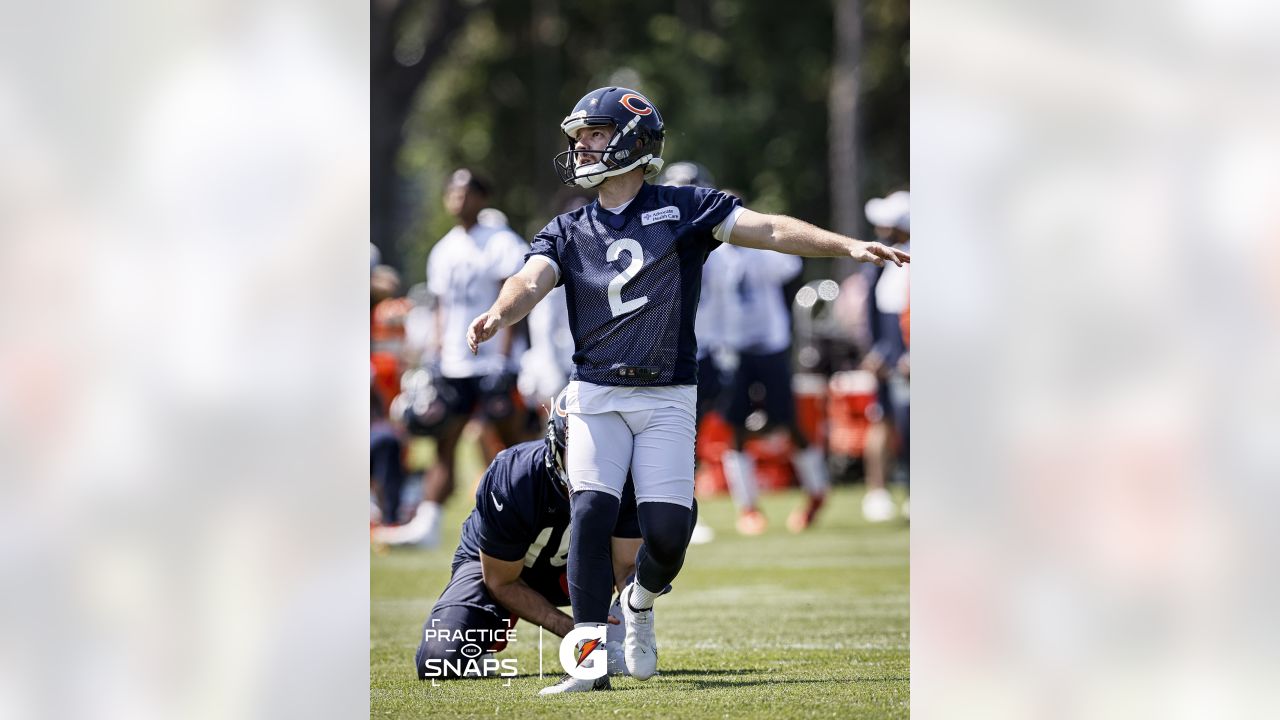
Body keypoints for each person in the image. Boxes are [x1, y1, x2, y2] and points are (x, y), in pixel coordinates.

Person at [466, 86, 909, 695]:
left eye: (594, 133)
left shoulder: (684, 208)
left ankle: (642, 602)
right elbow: (528, 278)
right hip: (595, 392)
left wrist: (847, 245)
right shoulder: (568, 227)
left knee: (667, 533)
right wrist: (497, 313)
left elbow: (773, 230)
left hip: (668, 394)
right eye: (580, 135)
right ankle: (591, 662)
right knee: (591, 515)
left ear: (631, 139)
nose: (581, 145)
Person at [414, 401, 645, 680]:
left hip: (583, 570)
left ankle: (615, 638)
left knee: (676, 516)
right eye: (583, 450)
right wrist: (573, 629)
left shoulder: (629, 476)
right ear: (556, 446)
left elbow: (627, 567)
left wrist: (632, 616)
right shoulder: (514, 475)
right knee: (439, 661)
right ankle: (497, 618)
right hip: (501, 569)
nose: (592, 462)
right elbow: (502, 580)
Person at [376, 169, 530, 548]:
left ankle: (533, 515)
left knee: (511, 444)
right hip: (456, 364)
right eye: (453, 193)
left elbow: (510, 298)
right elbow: (443, 308)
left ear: (482, 197)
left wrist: (504, 359)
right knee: (446, 444)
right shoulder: (444, 248)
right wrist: (438, 355)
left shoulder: (500, 241)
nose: (459, 200)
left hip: (492, 359)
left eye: (466, 193)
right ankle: (427, 525)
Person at [860, 190, 911, 522]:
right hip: (891, 358)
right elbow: (878, 313)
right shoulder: (883, 264)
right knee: (885, 421)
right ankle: (879, 492)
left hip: (906, 357)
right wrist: (876, 351)